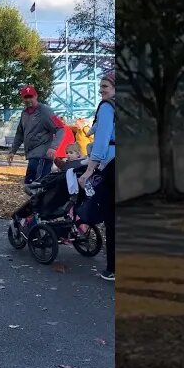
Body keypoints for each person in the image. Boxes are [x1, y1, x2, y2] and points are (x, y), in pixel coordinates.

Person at [79, 73, 116, 281]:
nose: (101, 90)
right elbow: (94, 130)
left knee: (111, 218)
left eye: (105, 86)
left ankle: (112, 268)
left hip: (112, 165)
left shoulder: (107, 107)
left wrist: (88, 171)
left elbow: (101, 142)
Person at [6, 86, 61, 187]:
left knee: (38, 185)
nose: (28, 100)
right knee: (30, 184)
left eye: (30, 97)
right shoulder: (24, 113)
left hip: (43, 155)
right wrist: (12, 151)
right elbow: (20, 133)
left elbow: (60, 128)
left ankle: (42, 202)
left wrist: (53, 147)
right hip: (32, 155)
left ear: (36, 96)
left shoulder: (45, 111)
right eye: (25, 97)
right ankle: (36, 202)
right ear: (22, 99)